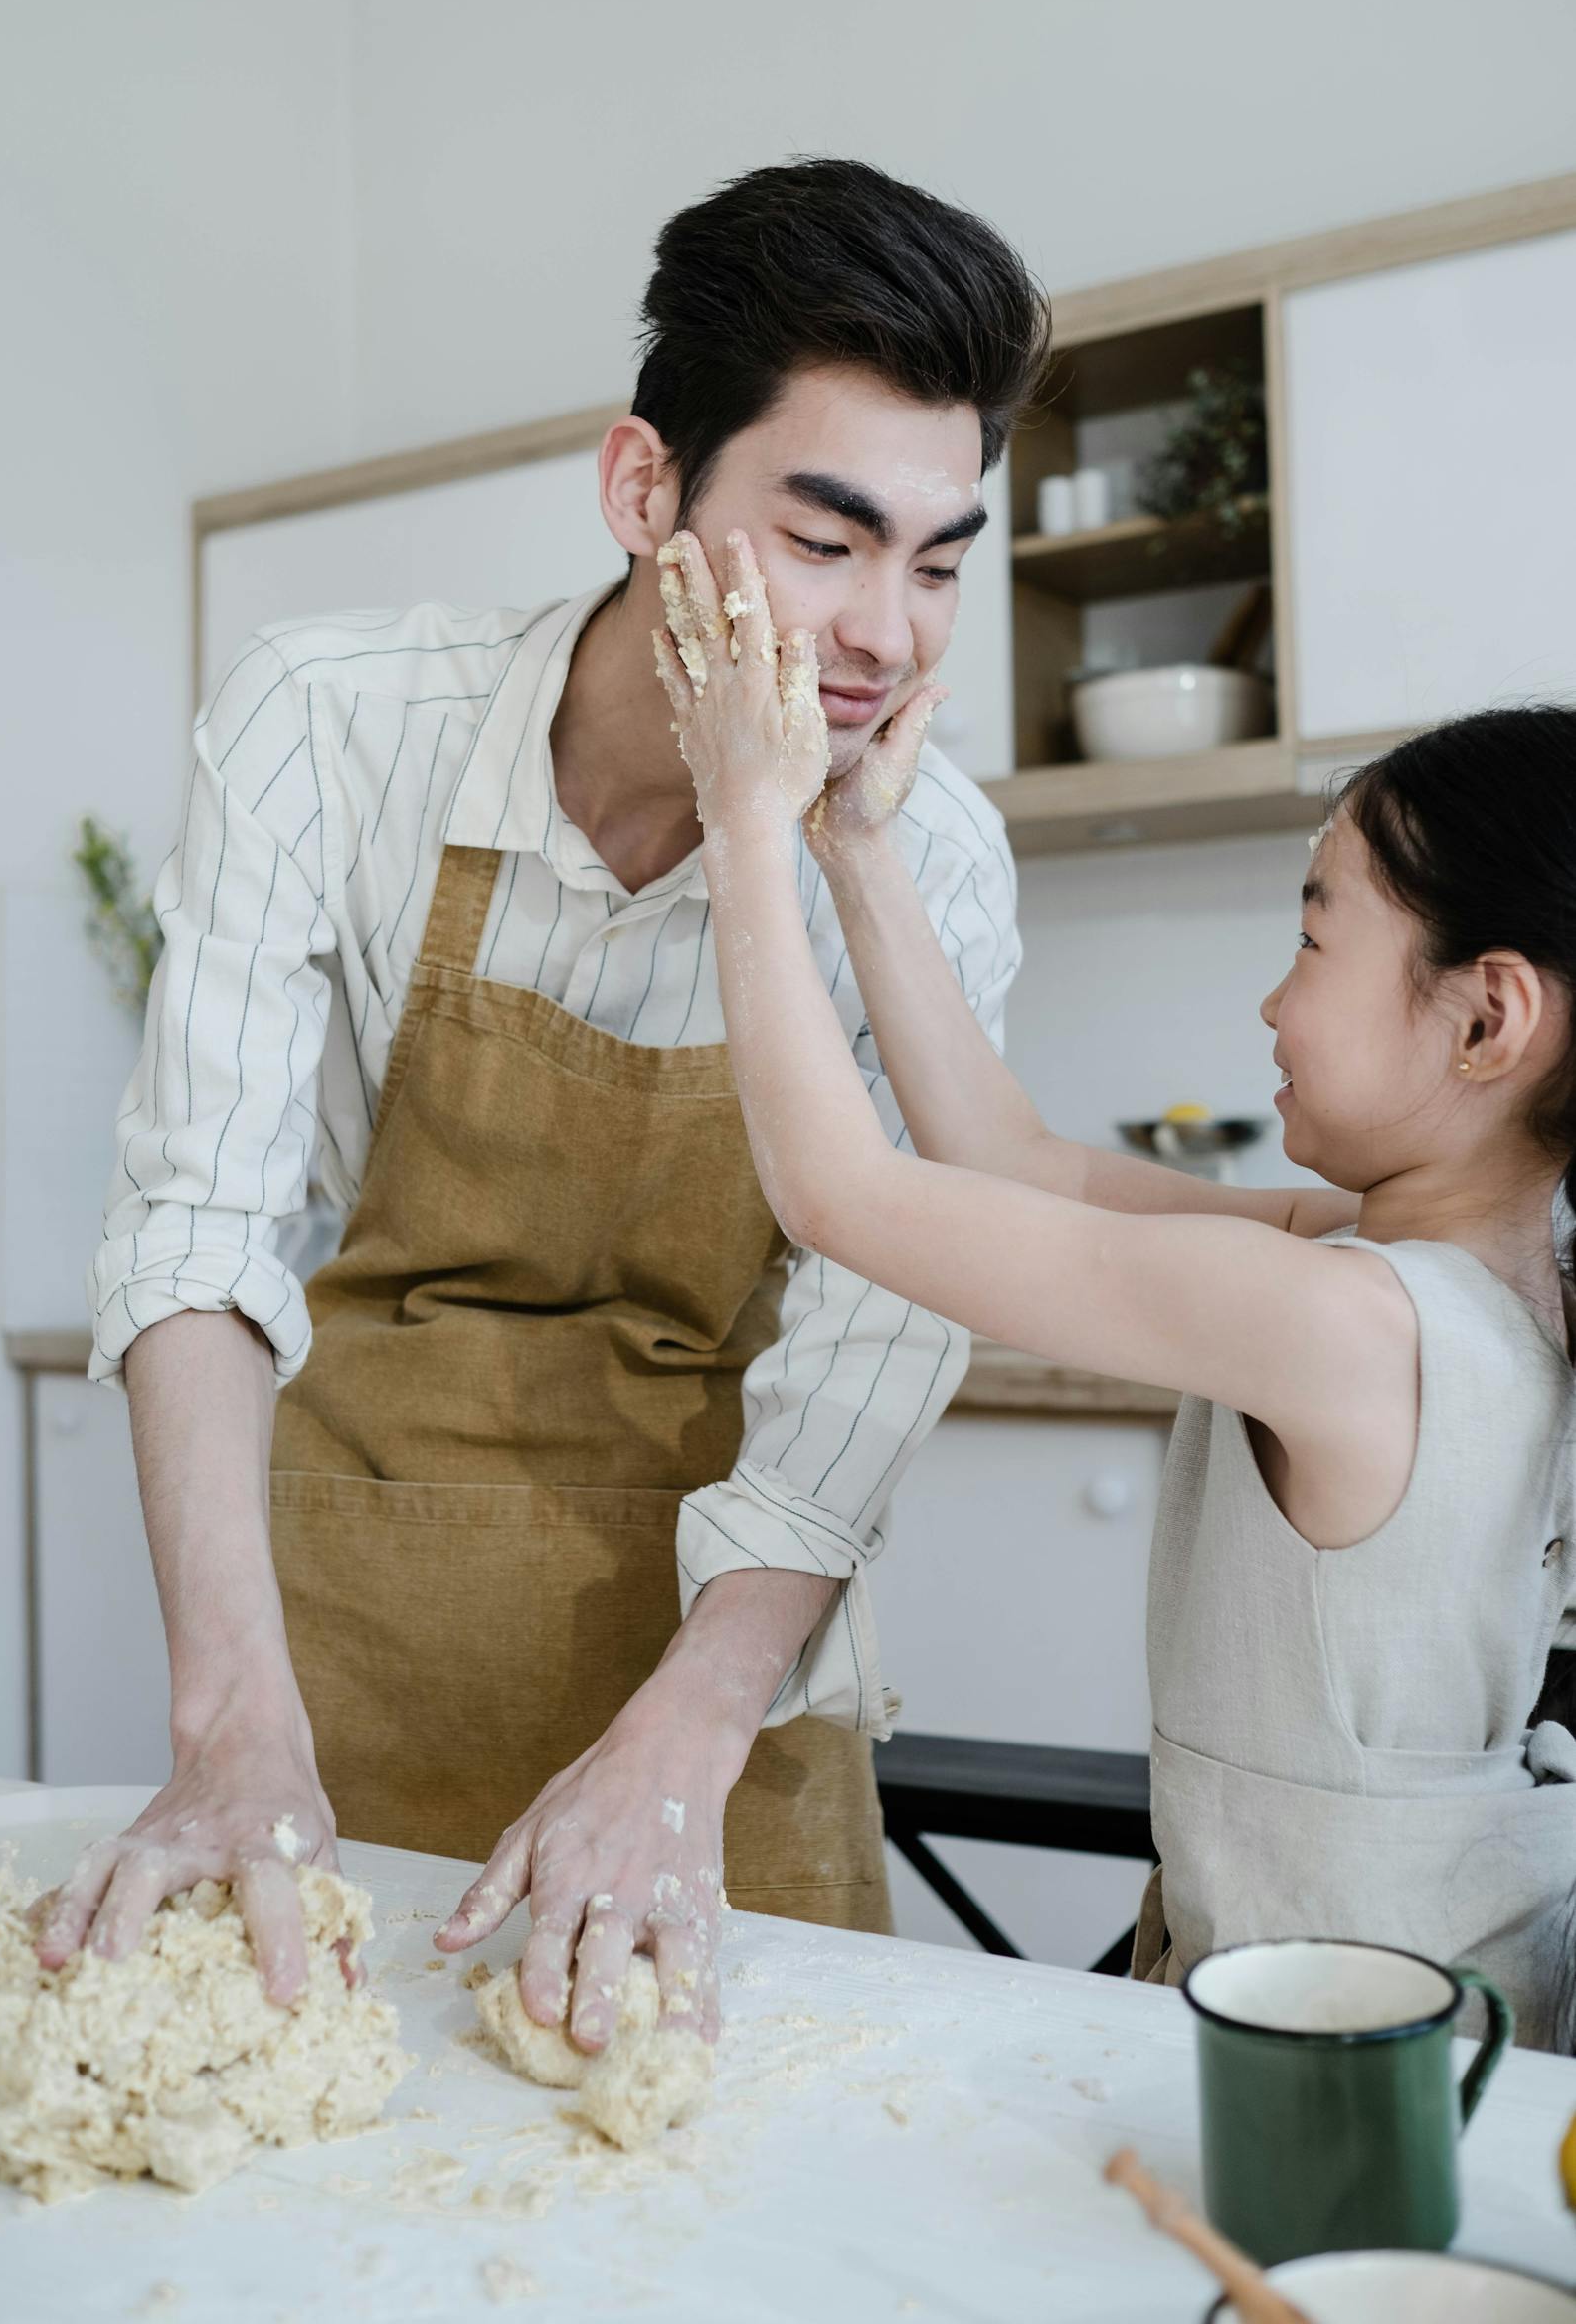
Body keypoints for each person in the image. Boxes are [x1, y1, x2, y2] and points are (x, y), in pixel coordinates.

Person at [40, 160, 1049, 2048]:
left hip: (722, 1675)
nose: (887, 638)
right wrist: (230, 1722)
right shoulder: (329, 730)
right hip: (351, 1650)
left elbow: (877, 1339)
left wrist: (682, 1739)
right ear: (643, 490)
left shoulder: (930, 863)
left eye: (936, 561)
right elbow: (201, 1219)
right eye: (825, 543)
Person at [656, 540, 1576, 2052]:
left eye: (1311, 932)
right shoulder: (1472, 1284)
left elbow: (845, 1195)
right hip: (1447, 2021)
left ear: (1487, 1016)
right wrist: (852, 847)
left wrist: (741, 819)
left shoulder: (1349, 1324)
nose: (1274, 999)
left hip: (1356, 2059)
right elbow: (1017, 1164)